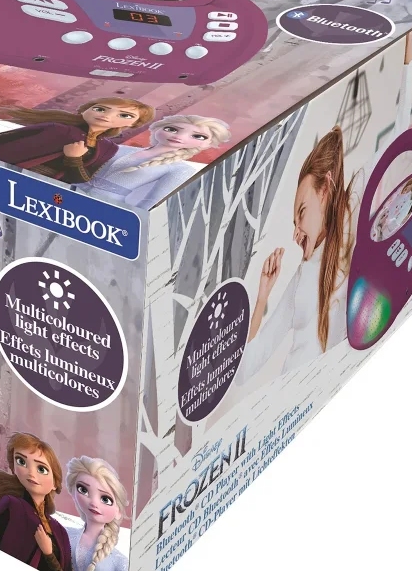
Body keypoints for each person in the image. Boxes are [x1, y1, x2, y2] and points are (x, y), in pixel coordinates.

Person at [237, 126, 354, 381]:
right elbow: (244, 369)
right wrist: (262, 296)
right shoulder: (302, 278)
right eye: (294, 223)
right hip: (290, 394)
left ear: (325, 191)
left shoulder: (353, 238)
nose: (296, 234)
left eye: (301, 213)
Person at [0, 97, 154, 184]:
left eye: (125, 115)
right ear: (85, 110)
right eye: (100, 109)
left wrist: (74, 159)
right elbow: (5, 151)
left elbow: (79, 180)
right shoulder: (60, 131)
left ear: (133, 124)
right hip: (1, 176)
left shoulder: (107, 148)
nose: (107, 116)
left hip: (38, 190)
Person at [0, 433, 73, 571]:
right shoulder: (13, 506)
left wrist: (49, 554)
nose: (31, 473)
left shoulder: (60, 531)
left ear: (55, 483)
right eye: (21, 461)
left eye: (41, 469)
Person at [82, 115, 230, 208]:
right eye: (171, 129)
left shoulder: (181, 169)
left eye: (198, 136)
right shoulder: (119, 148)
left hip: (106, 208)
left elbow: (152, 202)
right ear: (157, 128)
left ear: (208, 143)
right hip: (73, 192)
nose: (179, 137)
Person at [64, 456, 129, 571]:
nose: (93, 502)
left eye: (105, 499)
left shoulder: (119, 562)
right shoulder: (64, 534)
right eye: (83, 490)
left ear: (118, 511)